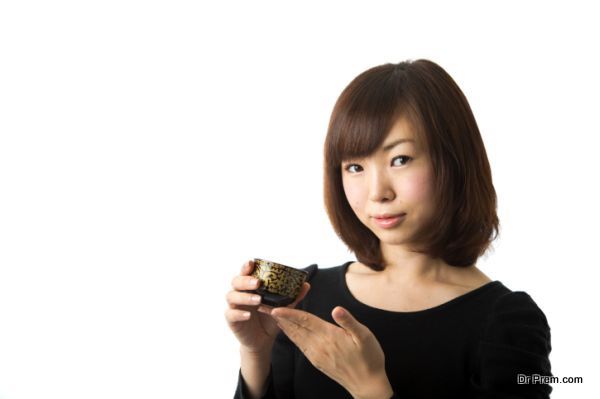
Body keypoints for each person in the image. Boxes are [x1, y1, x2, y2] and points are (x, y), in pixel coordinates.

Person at [225, 59, 553, 398]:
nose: (377, 192)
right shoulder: (307, 295)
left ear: (454, 161)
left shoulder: (510, 324)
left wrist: (370, 388)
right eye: (354, 166)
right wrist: (255, 355)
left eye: (400, 159)